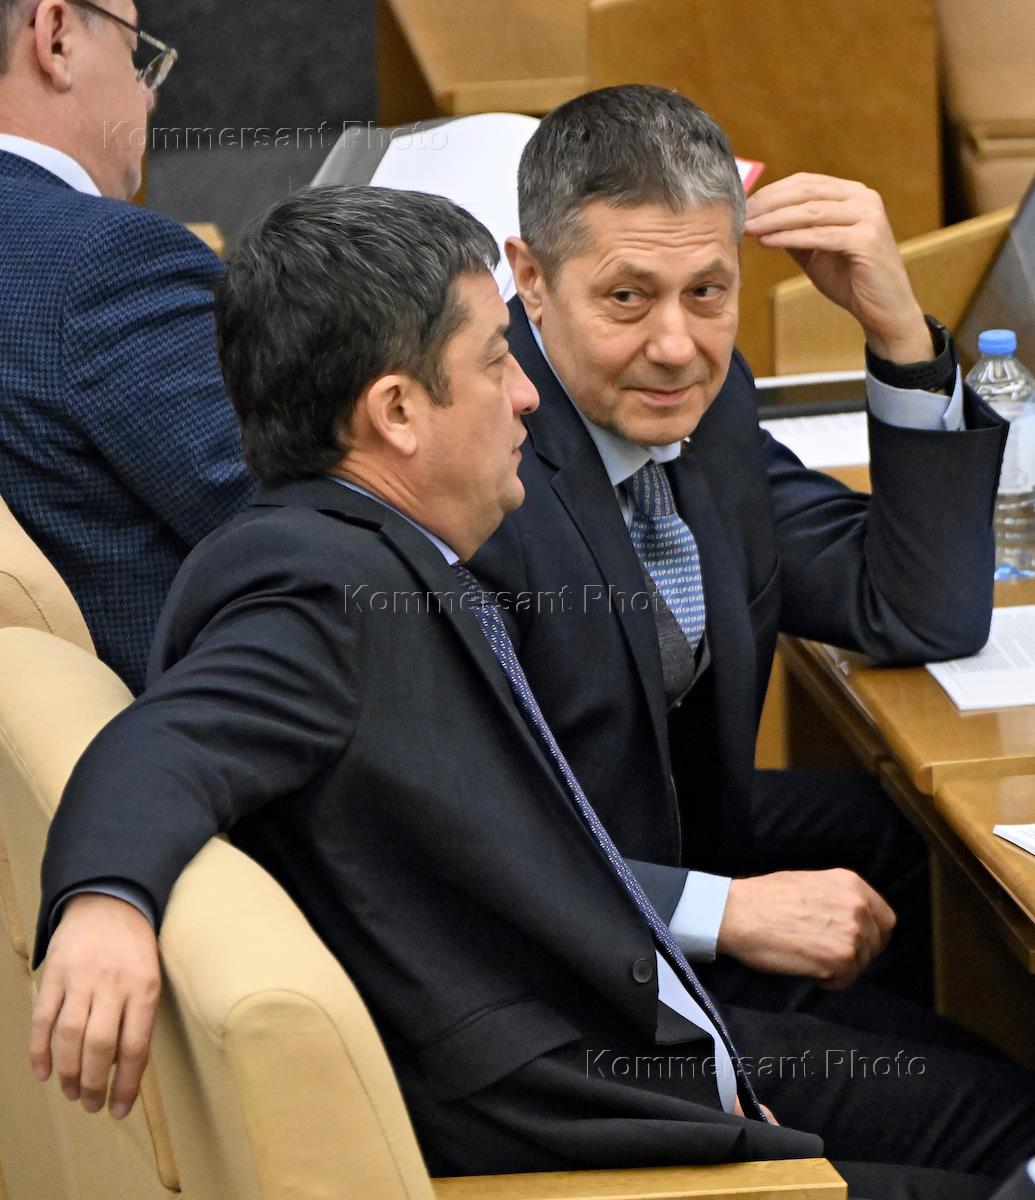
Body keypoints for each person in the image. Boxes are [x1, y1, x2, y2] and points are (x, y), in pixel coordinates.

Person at [27, 186, 1035, 1200]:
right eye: (495, 361)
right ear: (397, 412)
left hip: (636, 1044)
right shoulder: (315, 587)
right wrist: (105, 901)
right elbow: (166, 741)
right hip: (576, 1118)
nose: (526, 397)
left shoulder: (375, 546)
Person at [464, 84, 1007, 1017]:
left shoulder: (703, 406)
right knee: (991, 1100)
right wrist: (722, 914)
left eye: (707, 292)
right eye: (628, 297)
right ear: (532, 278)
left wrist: (899, 336)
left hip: (684, 847)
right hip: (571, 979)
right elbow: (466, 846)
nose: (677, 346)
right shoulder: (474, 466)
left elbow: (916, 610)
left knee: (923, 851)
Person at [0, 0, 252, 692]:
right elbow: (293, 515)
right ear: (56, 38)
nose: (149, 96)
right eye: (138, 55)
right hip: (193, 729)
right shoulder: (109, 261)